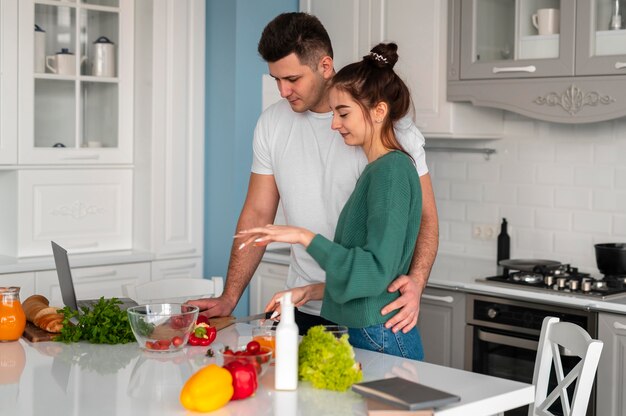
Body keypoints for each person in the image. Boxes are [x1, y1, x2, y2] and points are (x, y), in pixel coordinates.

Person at [189, 12, 438, 335]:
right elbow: (257, 213)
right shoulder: (272, 123)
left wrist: (416, 282)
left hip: (368, 310)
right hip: (301, 304)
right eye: (276, 79)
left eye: (292, 79)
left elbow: (426, 216)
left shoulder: (388, 128)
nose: (282, 91)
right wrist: (230, 297)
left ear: (324, 65)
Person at [236, 42, 424, 359]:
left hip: (379, 335)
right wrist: (310, 291)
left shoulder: (390, 172)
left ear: (379, 111)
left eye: (343, 113)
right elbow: (370, 276)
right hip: (364, 327)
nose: (334, 124)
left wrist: (304, 237)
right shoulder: (378, 171)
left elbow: (374, 273)